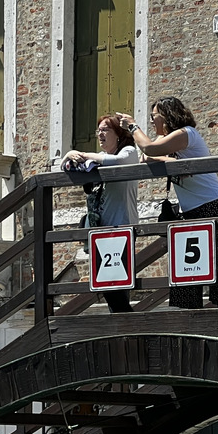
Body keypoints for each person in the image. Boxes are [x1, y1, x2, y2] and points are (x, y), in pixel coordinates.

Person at [120, 97, 218, 309]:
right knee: (187, 274)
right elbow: (147, 157)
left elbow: (149, 149)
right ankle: (190, 321)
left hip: (214, 205)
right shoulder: (172, 142)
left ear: (167, 117)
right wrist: (174, 163)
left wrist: (133, 126)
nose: (152, 122)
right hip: (192, 213)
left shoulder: (186, 134)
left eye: (154, 117)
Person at [62, 114, 140, 313]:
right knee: (109, 289)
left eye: (105, 130)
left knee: (116, 288)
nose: (100, 134)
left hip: (121, 228)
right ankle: (125, 329)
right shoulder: (97, 159)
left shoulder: (129, 151)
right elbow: (67, 168)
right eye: (99, 130)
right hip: (100, 232)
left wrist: (85, 154)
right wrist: (69, 154)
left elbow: (118, 161)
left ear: (118, 134)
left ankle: (127, 330)